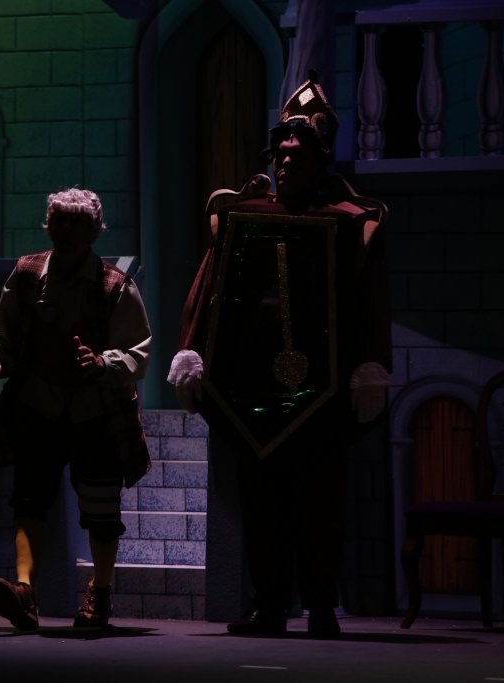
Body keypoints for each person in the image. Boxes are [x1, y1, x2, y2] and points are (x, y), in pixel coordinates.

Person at [167, 71, 392, 638]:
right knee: (261, 503)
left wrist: (369, 368)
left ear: (319, 160)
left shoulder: (349, 223)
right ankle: (268, 605)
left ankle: (320, 608)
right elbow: (210, 289)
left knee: (321, 505)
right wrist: (192, 353)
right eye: (280, 154)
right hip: (253, 393)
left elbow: (368, 302)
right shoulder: (243, 215)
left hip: (322, 394)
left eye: (298, 154)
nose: (286, 162)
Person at [0, 188, 152, 630]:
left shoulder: (115, 285)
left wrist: (103, 362)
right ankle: (24, 589)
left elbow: (137, 350)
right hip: (39, 405)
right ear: (49, 226)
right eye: (60, 221)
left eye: (78, 222)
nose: (67, 230)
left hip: (95, 411)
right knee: (29, 501)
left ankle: (100, 592)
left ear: (94, 230)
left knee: (101, 507)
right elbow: (7, 335)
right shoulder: (27, 274)